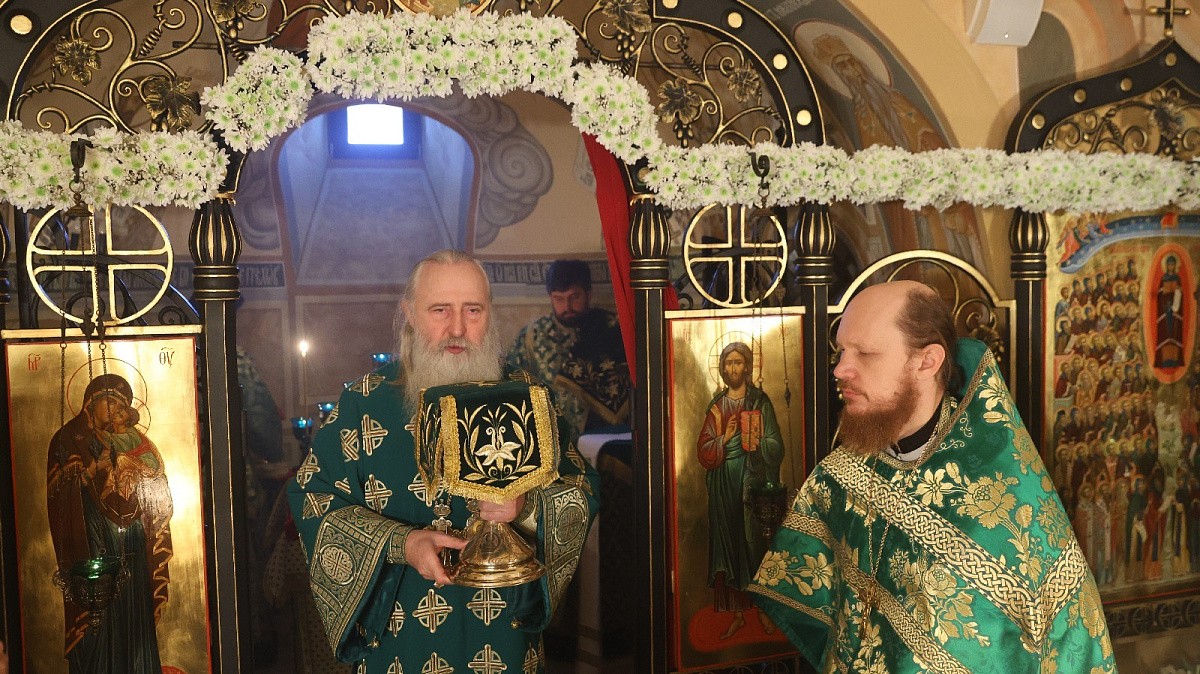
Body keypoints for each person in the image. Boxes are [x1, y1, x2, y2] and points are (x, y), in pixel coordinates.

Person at [747, 281, 1114, 673]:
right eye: (841, 351)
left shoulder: (1010, 503)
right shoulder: (839, 476)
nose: (840, 370)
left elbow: (1072, 643)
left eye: (865, 354)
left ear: (927, 362)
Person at [288, 249, 600, 673]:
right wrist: (402, 543)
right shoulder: (364, 403)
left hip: (502, 633)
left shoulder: (527, 396)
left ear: (489, 313)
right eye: (440, 310)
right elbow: (313, 498)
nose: (457, 328)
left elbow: (580, 488)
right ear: (410, 314)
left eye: (473, 310)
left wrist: (527, 507)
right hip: (400, 637)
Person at [46, 373, 174, 673]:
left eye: (123, 406)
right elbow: (60, 495)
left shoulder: (130, 439)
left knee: (133, 605)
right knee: (99, 618)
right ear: (91, 402)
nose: (117, 411)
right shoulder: (69, 437)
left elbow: (152, 478)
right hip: (90, 538)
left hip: (131, 538)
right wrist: (94, 469)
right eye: (111, 402)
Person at [695, 341, 784, 639]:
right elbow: (703, 450)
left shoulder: (760, 402)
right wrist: (725, 437)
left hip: (752, 482)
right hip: (723, 486)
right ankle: (737, 614)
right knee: (730, 547)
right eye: (728, 363)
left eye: (738, 362)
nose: (733, 368)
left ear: (747, 367)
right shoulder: (717, 406)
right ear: (722, 369)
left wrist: (758, 442)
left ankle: (762, 608)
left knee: (753, 544)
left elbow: (776, 444)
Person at [505, 259, 630, 441]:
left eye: (574, 297)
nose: (567, 306)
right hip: (550, 436)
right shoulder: (533, 335)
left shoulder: (612, 328)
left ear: (588, 294)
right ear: (550, 297)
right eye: (559, 299)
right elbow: (512, 386)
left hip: (605, 438)